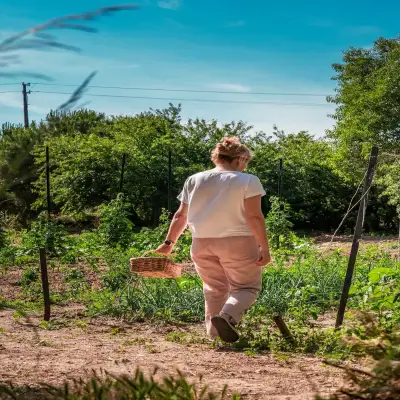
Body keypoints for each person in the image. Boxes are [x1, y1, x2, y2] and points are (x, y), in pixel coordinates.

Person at [156, 136, 271, 343]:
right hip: (238, 242)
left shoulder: (194, 179)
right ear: (241, 158)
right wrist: (264, 247)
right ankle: (226, 317)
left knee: (214, 288)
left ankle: (215, 335)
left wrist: (168, 244)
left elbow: (180, 216)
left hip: (201, 243)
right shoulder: (247, 180)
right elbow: (254, 217)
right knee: (247, 288)